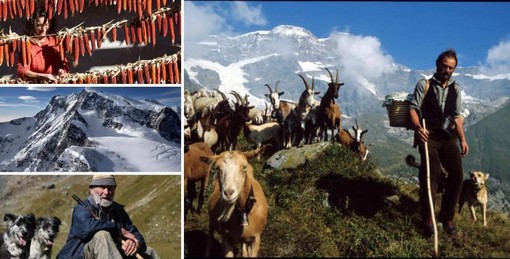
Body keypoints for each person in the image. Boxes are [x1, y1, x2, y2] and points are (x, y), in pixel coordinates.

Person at [409, 49, 469, 237]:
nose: (447, 70)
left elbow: (457, 117)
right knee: (432, 172)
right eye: (445, 66)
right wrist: (419, 128)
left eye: (451, 67)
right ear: (437, 64)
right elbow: (413, 108)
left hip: (447, 138)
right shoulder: (424, 85)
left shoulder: (456, 89)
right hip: (428, 136)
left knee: (457, 174)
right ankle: (428, 217)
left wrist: (462, 139)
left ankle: (447, 217)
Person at [56, 175, 160, 259]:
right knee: (102, 235)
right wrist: (119, 230)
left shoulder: (118, 211)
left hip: (110, 253)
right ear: (92, 189)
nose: (106, 192)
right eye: (102, 187)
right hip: (79, 256)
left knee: (149, 252)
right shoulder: (81, 208)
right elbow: (87, 229)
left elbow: (135, 234)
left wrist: (134, 244)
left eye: (110, 188)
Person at [16, 7, 70, 83]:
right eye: (39, 25)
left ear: (50, 24)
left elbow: (64, 63)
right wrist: (41, 76)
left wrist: (63, 70)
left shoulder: (55, 42)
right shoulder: (27, 44)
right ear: (32, 24)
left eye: (46, 25)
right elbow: (21, 71)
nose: (43, 29)